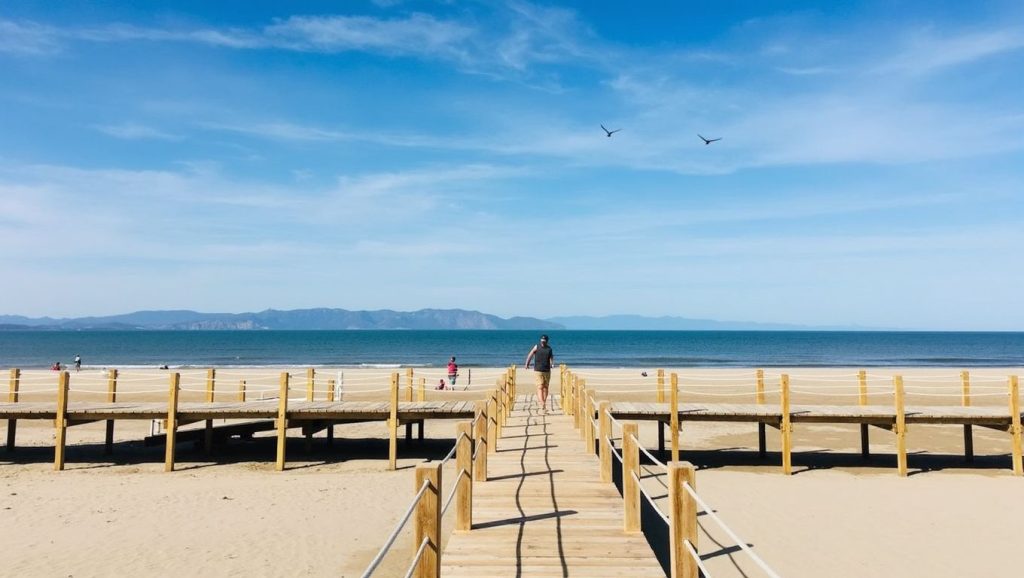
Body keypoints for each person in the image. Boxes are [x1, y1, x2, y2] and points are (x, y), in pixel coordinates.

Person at [525, 334, 555, 412]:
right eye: (542, 341)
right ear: (540, 341)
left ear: (547, 341)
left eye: (544, 341)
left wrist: (552, 364)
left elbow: (551, 357)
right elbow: (530, 355)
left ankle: (543, 402)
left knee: (546, 387)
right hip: (538, 370)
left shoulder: (549, 349)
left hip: (547, 370)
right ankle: (542, 404)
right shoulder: (536, 347)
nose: (543, 342)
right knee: (540, 386)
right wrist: (527, 364)